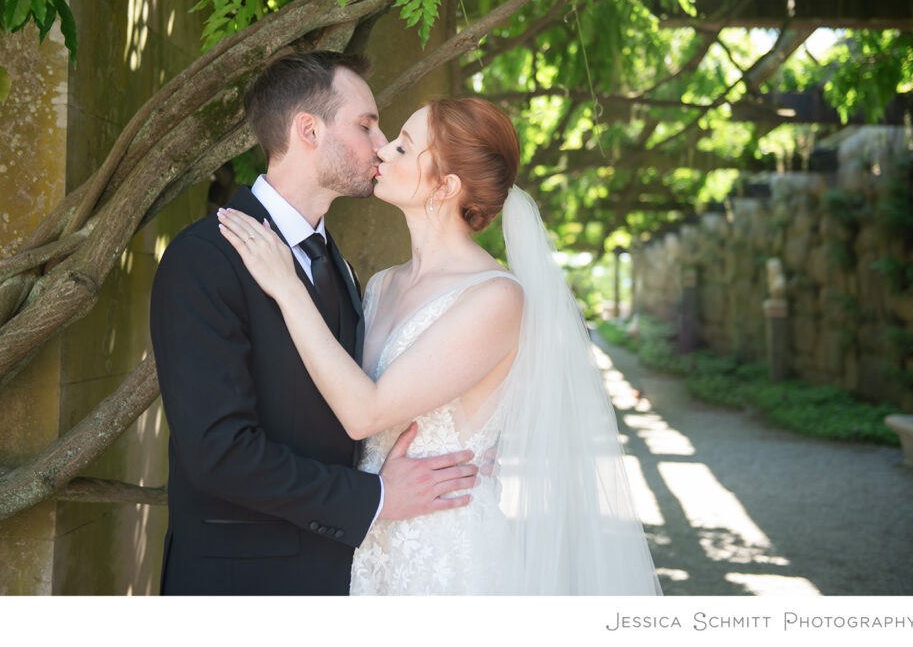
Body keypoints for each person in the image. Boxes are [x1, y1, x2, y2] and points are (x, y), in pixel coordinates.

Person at [217, 97, 662, 594]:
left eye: (404, 147)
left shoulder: (496, 298)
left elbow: (366, 414)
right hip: (367, 542)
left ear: (446, 186)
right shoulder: (381, 285)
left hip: (446, 550)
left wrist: (287, 287)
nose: (382, 150)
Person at [149, 51, 480, 596]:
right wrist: (374, 498)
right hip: (241, 583)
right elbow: (219, 454)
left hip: (342, 576)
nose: (380, 146)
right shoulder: (205, 257)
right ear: (309, 130)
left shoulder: (339, 266)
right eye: (366, 125)